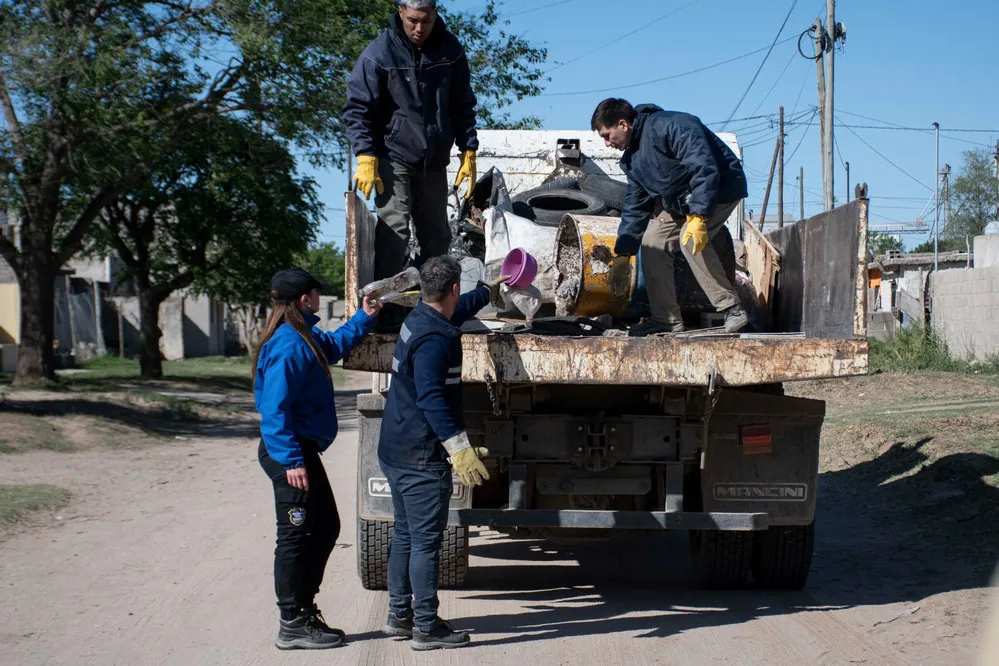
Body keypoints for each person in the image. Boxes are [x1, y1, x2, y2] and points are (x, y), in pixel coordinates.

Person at [377, 256, 502, 651]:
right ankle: (426, 626)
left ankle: (400, 615)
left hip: (395, 446)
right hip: (419, 456)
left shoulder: (420, 317)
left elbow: (455, 313)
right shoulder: (434, 340)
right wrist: (459, 448)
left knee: (406, 534)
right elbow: (431, 397)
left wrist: (488, 292)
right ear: (452, 289)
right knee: (426, 542)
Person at [254, 267, 381, 650]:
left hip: (298, 448)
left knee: (325, 527)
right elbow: (274, 411)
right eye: (314, 293)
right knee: (295, 537)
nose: (316, 298)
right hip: (289, 452)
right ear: (304, 299)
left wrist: (365, 317)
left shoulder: (303, 336)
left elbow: (335, 344)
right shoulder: (289, 344)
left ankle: (303, 611)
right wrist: (292, 460)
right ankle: (292, 620)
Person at [343, 0, 479, 286]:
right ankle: (387, 306)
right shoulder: (378, 54)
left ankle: (429, 301)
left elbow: (463, 103)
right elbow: (356, 109)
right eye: (413, 20)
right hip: (393, 156)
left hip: (434, 160)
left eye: (426, 21)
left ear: (436, 14)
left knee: (438, 235)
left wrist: (469, 148)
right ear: (401, 11)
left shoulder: (450, 50)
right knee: (395, 230)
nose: (420, 28)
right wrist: (366, 156)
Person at [591, 98, 750, 336]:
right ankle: (666, 320)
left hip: (719, 190)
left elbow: (704, 168)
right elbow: (635, 206)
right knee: (653, 242)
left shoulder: (672, 125)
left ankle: (731, 307)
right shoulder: (633, 160)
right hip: (681, 202)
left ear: (623, 124)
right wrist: (623, 253)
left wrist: (698, 215)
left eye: (606, 135)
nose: (606, 144)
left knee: (690, 238)